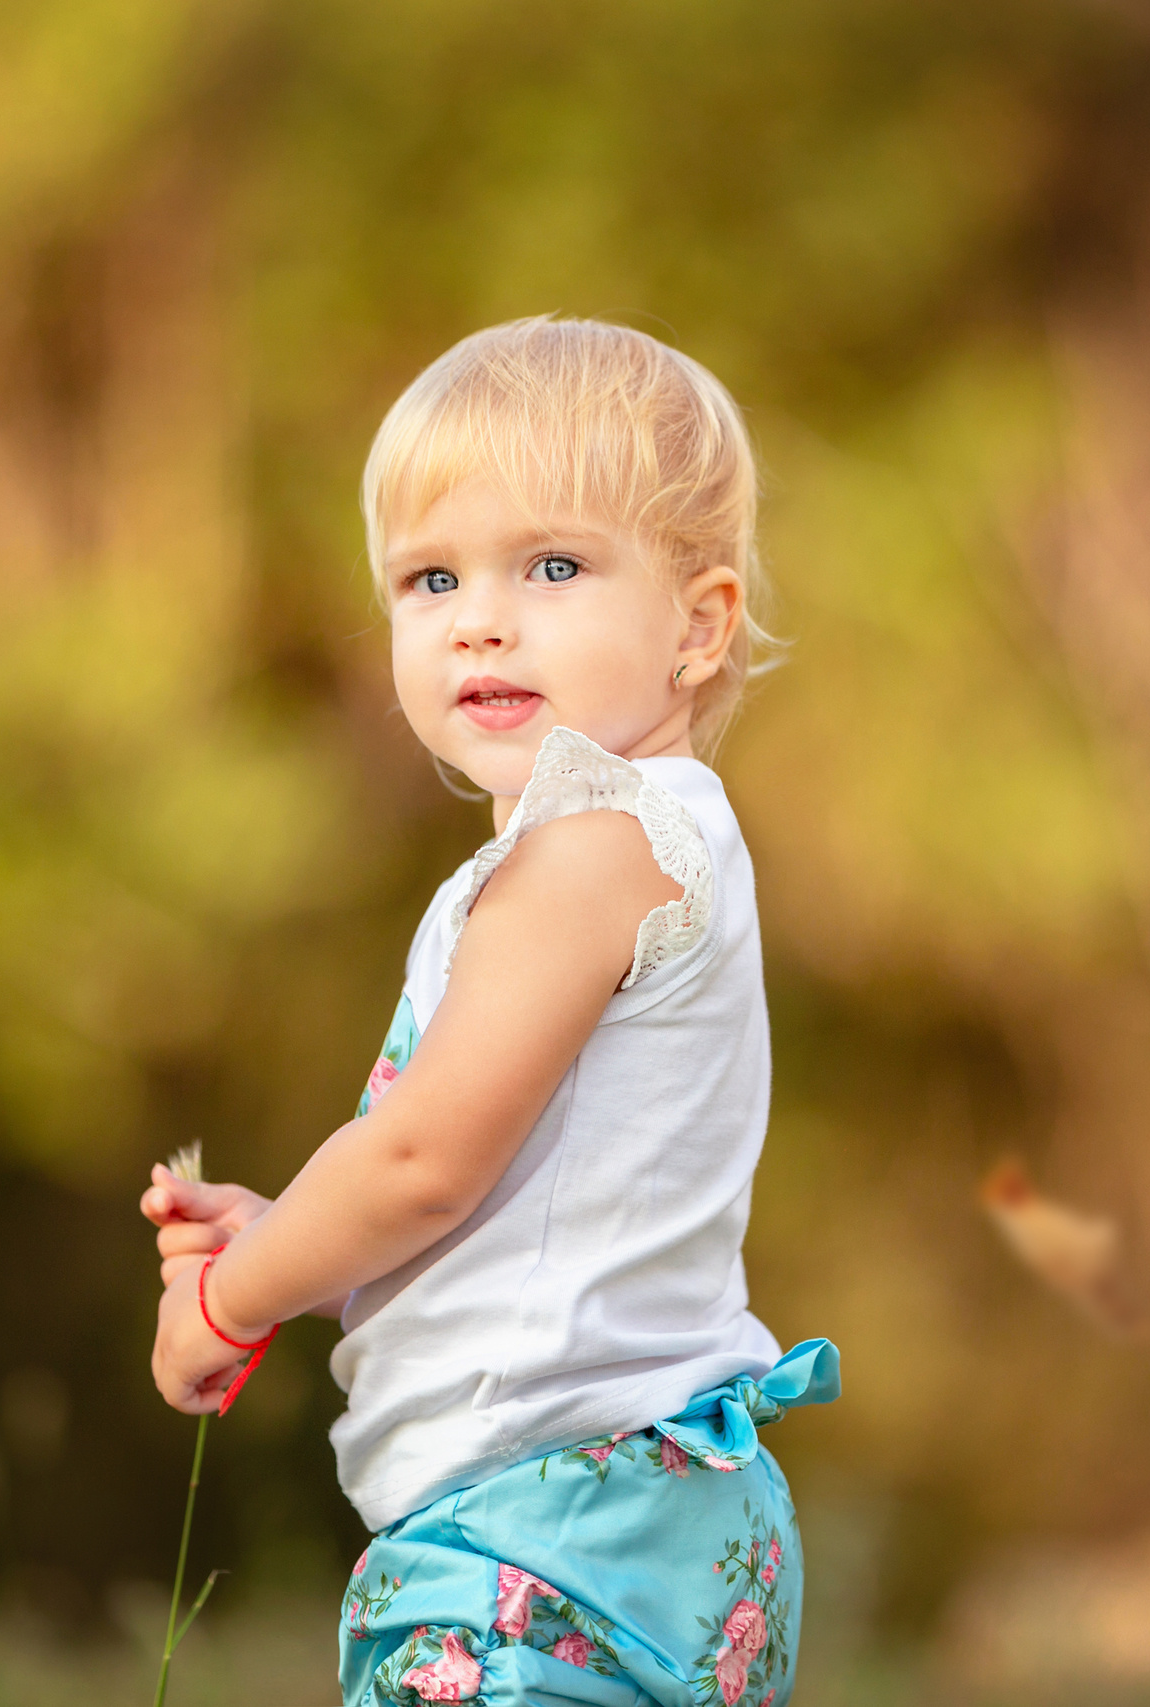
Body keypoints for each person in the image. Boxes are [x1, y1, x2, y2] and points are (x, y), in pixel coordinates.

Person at [142, 316, 838, 1706]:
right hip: (660, 1511)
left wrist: (229, 1299)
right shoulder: (650, 841)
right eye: (431, 577)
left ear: (697, 627)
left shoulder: (586, 850)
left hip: (544, 1525)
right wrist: (304, 1242)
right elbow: (512, 1197)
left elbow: (420, 1162)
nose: (481, 618)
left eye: (555, 566)